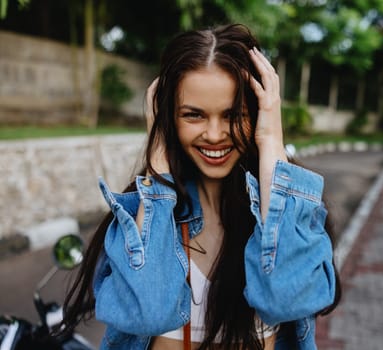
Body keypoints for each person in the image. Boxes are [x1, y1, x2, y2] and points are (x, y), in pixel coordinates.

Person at [60, 23, 341, 350]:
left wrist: (271, 142)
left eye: (233, 114)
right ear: (168, 118)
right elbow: (146, 314)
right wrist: (159, 173)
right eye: (194, 115)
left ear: (257, 113)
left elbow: (285, 300)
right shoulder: (146, 214)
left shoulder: (284, 216)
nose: (214, 134)